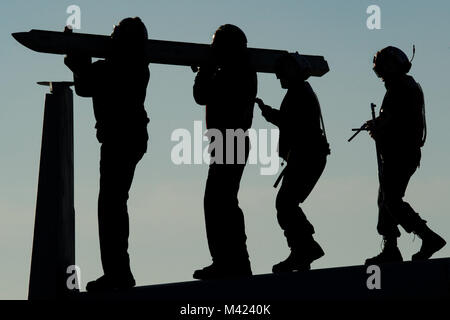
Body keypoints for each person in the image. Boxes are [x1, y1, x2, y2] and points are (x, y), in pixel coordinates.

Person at [64, 17, 150, 291]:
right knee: (114, 205)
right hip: (131, 137)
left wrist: (78, 63)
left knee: (111, 207)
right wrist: (81, 63)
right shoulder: (137, 67)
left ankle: (118, 273)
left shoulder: (115, 68)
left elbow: (86, 86)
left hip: (119, 140)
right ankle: (118, 271)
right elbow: (87, 85)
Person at [365, 46, 446, 265]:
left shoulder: (401, 87)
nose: (382, 73)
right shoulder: (403, 86)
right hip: (400, 152)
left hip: (401, 153)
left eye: (384, 67)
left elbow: (393, 120)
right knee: (386, 199)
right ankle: (391, 248)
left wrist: (378, 126)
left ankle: (428, 237)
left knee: (391, 200)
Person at [192, 24, 257, 279]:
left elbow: (201, 95)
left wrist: (204, 71)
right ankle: (235, 261)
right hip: (232, 140)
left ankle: (227, 262)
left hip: (229, 141)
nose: (212, 50)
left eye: (216, 45)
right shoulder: (243, 70)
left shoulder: (231, 72)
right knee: (225, 203)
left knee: (218, 203)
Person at [255, 53, 330, 273]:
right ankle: (303, 251)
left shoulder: (299, 93)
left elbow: (291, 123)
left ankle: (304, 248)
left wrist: (268, 114)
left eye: (283, 74)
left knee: (285, 204)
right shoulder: (302, 92)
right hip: (308, 156)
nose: (280, 78)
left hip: (306, 156)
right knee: (288, 203)